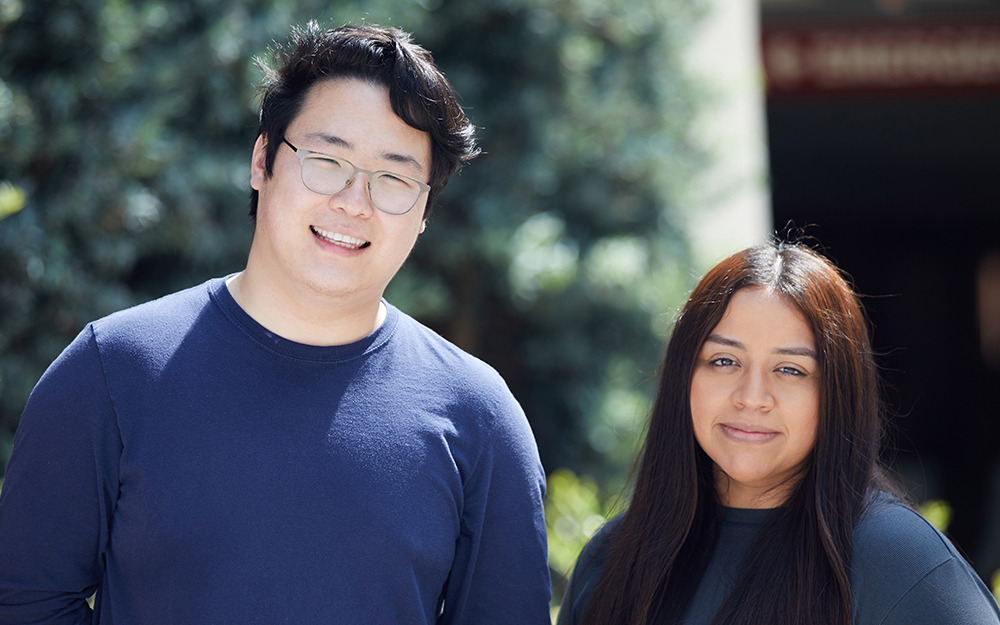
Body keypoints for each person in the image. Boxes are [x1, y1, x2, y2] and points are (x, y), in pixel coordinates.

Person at [0, 23, 551, 624]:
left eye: (393, 178)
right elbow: (25, 601)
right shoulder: (112, 371)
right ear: (263, 160)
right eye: (326, 160)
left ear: (425, 210)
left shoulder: (478, 416)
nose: (352, 201)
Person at [558, 241, 1000, 625]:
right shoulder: (612, 559)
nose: (753, 397)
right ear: (682, 378)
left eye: (790, 369)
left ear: (837, 395)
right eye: (724, 361)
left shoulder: (897, 562)